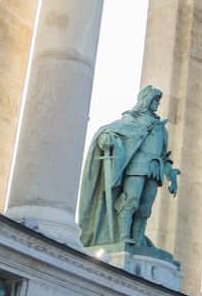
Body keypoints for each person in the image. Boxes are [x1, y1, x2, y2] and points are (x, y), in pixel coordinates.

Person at [77, 85, 179, 248]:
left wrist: (172, 177)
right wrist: (106, 138)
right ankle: (124, 236)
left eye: (158, 101)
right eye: (155, 100)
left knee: (145, 209)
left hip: (155, 169)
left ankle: (137, 240)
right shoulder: (132, 119)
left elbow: (164, 156)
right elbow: (109, 131)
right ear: (146, 100)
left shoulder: (161, 129)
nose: (157, 104)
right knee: (130, 201)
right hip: (137, 166)